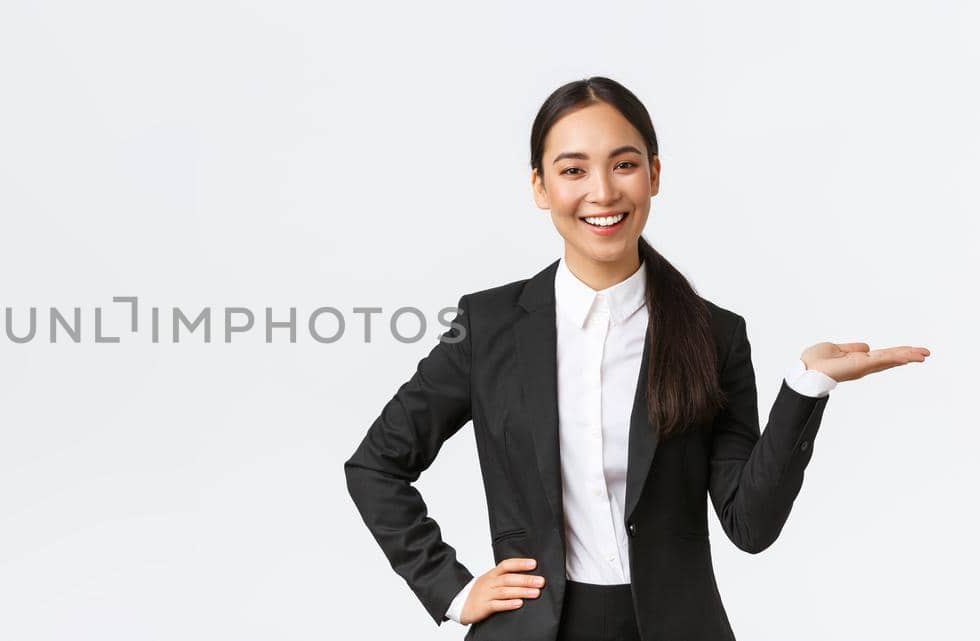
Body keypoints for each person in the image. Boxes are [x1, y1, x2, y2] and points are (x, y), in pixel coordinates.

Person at [342, 76, 930, 641]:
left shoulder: (713, 335)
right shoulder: (487, 326)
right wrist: (450, 589)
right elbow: (375, 465)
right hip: (529, 630)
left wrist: (808, 387)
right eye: (573, 170)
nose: (602, 192)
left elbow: (749, 526)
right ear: (541, 187)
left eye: (623, 165)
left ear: (653, 174)